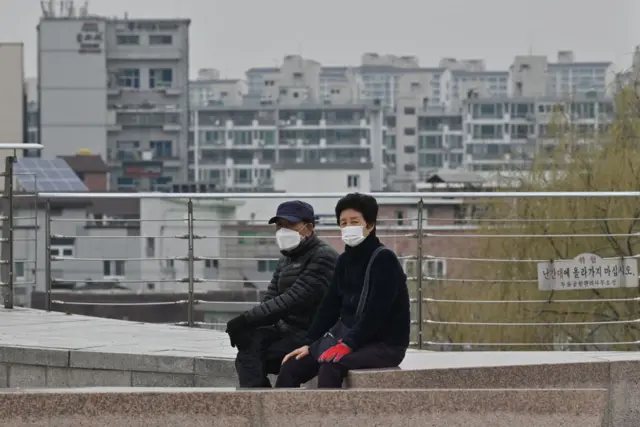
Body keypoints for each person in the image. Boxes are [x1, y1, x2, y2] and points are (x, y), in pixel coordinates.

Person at [275, 193, 410, 388]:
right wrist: (310, 343)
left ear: (370, 225)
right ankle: (283, 418)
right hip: (349, 338)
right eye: (343, 223)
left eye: (354, 222)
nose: (347, 227)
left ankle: (328, 418)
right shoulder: (344, 261)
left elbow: (376, 313)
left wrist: (349, 344)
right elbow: (330, 306)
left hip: (384, 345)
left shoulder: (384, 260)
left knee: (331, 366)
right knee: (292, 366)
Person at [225, 200, 339, 388]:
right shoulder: (286, 258)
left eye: (290, 224)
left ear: (308, 227)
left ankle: (267, 406)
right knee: (247, 348)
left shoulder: (323, 256)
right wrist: (247, 326)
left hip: (311, 335)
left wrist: (245, 319)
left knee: (258, 355)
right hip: (286, 331)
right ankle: (258, 406)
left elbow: (293, 299)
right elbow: (271, 298)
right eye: (279, 225)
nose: (282, 230)